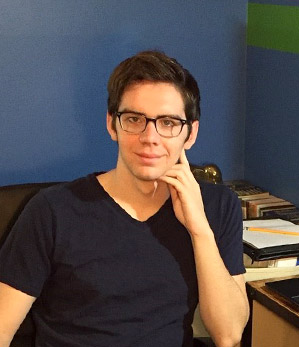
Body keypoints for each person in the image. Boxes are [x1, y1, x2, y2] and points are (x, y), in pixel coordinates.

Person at [0, 51, 249, 347]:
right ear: (112, 124)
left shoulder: (218, 206)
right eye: (134, 119)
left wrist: (199, 230)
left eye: (168, 123)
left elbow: (229, 334)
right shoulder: (52, 211)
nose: (150, 137)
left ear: (190, 133)